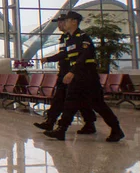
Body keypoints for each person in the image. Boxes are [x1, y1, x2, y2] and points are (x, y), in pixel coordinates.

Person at [44, 11, 125, 142]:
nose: (64, 23)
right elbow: (66, 56)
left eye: (67, 20)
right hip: (77, 77)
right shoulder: (70, 39)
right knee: (70, 103)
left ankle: (116, 129)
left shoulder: (83, 37)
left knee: (98, 105)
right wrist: (49, 60)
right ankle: (61, 130)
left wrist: (72, 72)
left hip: (88, 77)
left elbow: (84, 57)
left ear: (74, 22)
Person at [34, 14, 97, 134]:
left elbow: (79, 56)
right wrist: (49, 59)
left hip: (74, 73)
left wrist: (70, 71)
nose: (59, 25)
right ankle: (53, 122)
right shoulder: (65, 37)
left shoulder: (77, 37)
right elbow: (64, 54)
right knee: (65, 99)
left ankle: (60, 126)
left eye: (61, 22)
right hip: (65, 73)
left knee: (73, 100)